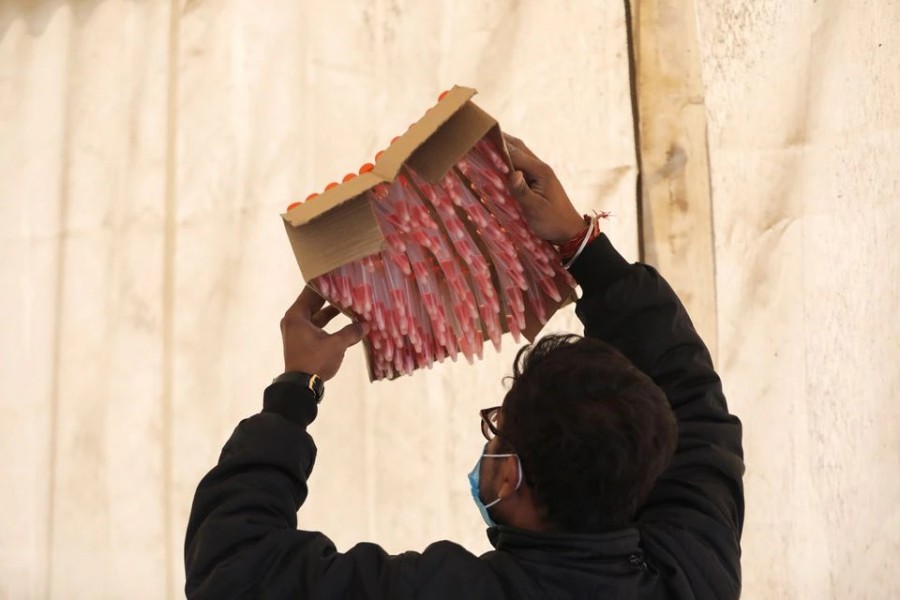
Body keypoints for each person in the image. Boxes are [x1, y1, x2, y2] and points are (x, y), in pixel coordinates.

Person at [184, 135, 745, 599]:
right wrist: (582, 245)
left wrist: (293, 395)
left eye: (496, 429)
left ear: (509, 477)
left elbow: (233, 566)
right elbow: (691, 399)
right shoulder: (693, 574)